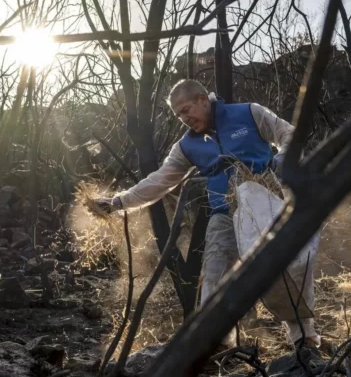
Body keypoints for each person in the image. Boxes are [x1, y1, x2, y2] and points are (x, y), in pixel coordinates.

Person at [95, 79, 320, 348]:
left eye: (186, 110)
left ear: (203, 100)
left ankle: (303, 337)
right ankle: (217, 344)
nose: (184, 119)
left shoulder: (249, 113)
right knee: (215, 276)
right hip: (223, 213)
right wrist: (118, 202)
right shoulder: (186, 146)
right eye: (178, 115)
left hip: (264, 204)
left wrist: (284, 158)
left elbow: (288, 134)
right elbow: (159, 181)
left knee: (284, 267)